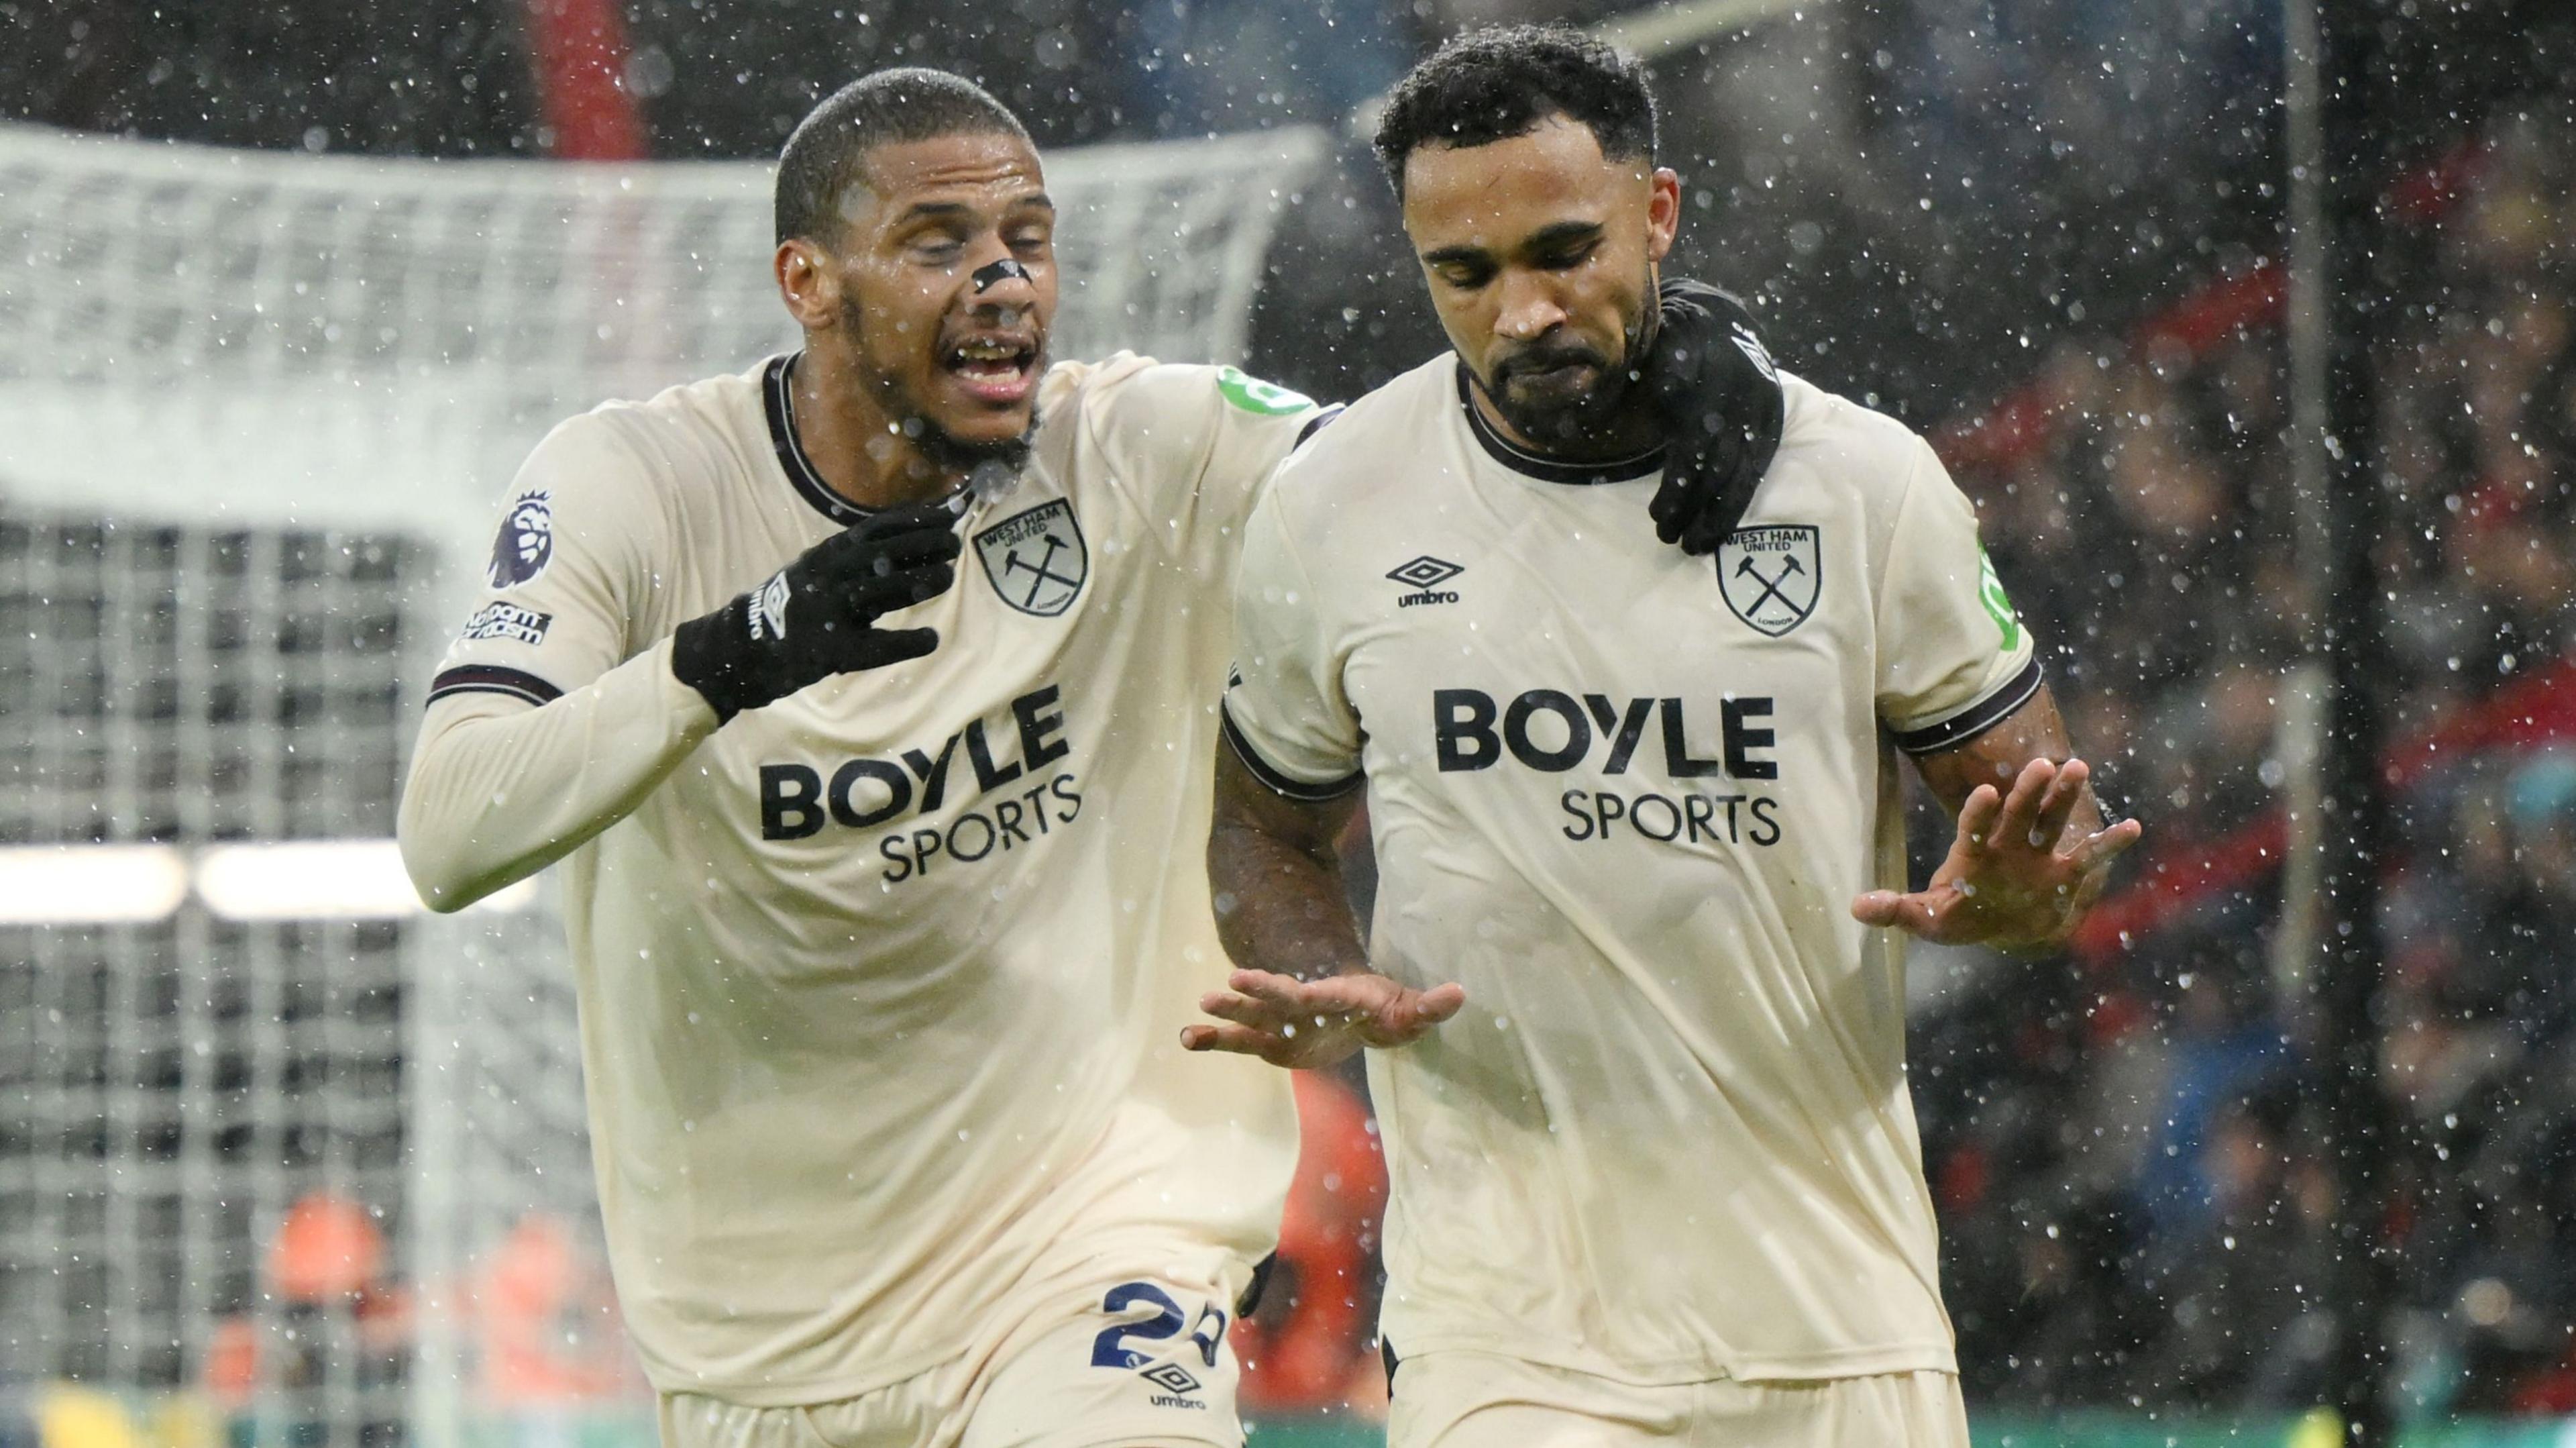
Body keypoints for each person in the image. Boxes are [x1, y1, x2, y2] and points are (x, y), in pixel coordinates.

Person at [399, 62, 1789, 1448]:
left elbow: (1440, 472)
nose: (1003, 281)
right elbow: (451, 832)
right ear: (807, 281)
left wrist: (1684, 350)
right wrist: (729, 656)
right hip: (760, 1333)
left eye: (1027, 239)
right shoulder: (634, 486)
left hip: (1100, 1245)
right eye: (938, 244)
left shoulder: (1143, 447)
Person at [1187, 25, 2143, 1448]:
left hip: (1836, 1320)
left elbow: (2048, 830)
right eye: (1465, 272)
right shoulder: (1336, 502)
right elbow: (1263, 824)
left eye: (1563, 251)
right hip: (1510, 1334)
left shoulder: (1863, 487)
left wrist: (2026, 894)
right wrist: (1322, 969)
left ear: (1661, 213)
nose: (1522, 312)